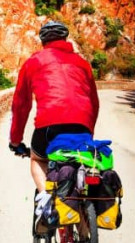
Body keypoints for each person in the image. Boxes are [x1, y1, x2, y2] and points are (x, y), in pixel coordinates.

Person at [8, 20, 100, 214]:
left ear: (43, 41)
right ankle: (84, 220)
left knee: (37, 159)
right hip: (82, 128)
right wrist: (87, 132)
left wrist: (16, 141)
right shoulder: (82, 64)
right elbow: (94, 102)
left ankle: (46, 201)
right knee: (78, 163)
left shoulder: (34, 61)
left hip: (49, 128)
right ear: (65, 39)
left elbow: (21, 104)